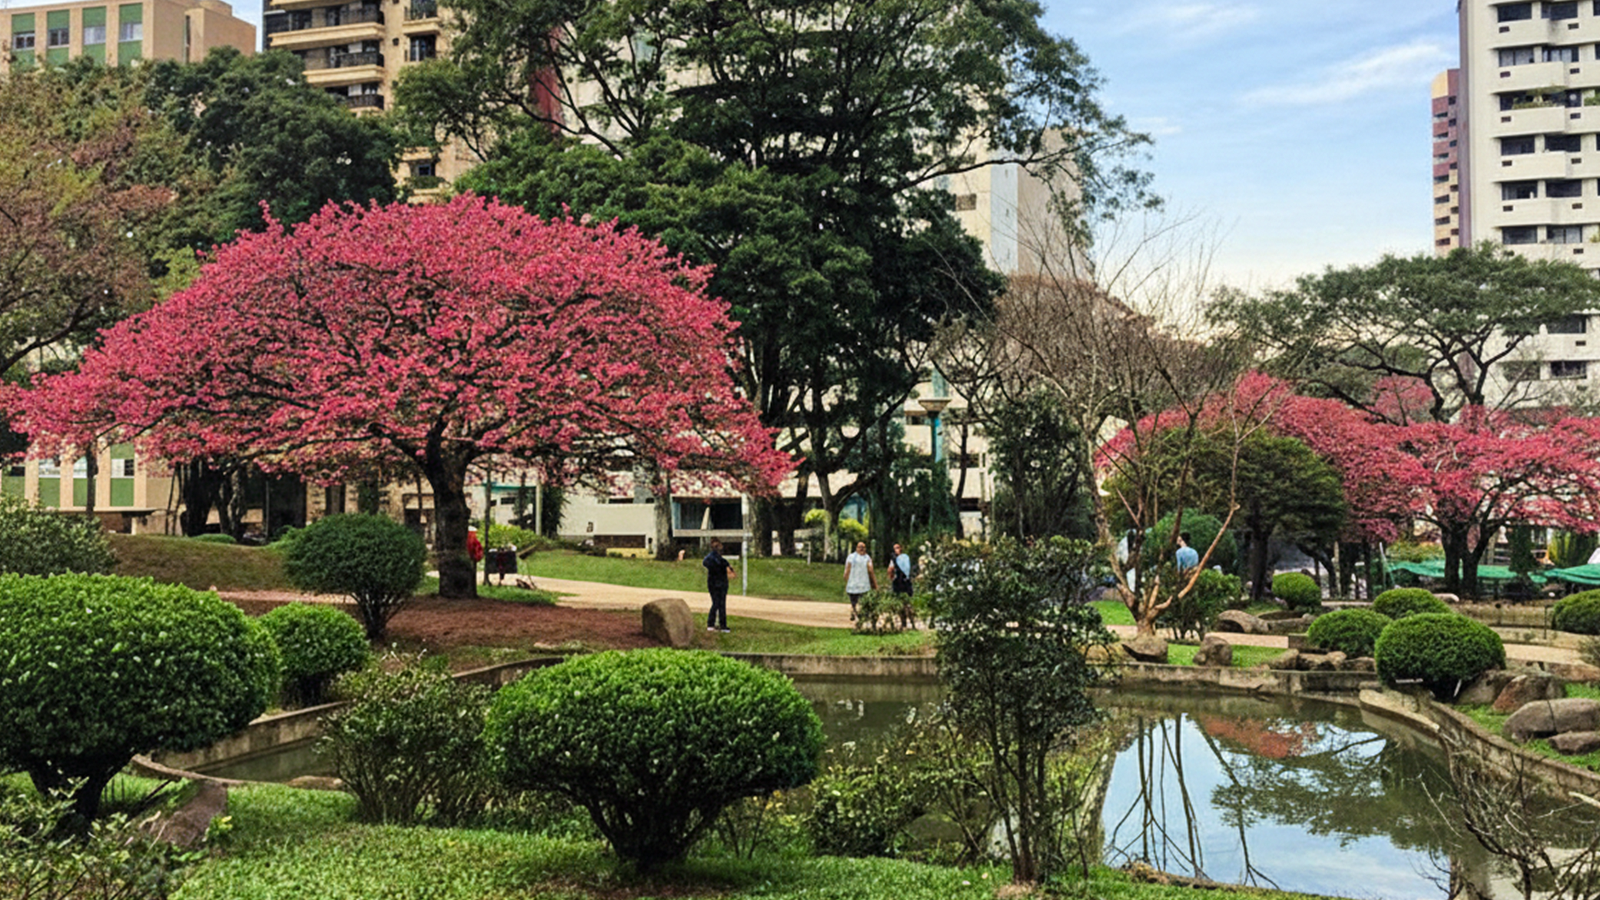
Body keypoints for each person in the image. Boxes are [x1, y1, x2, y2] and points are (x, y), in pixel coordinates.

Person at [703, 538, 732, 633]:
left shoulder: (720, 560)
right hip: (715, 583)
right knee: (717, 603)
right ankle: (713, 624)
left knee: (720, 603)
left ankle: (720, 624)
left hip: (719, 583)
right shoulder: (713, 559)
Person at [844, 540, 875, 621]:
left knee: (862, 600)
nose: (861, 549)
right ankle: (854, 612)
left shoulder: (867, 558)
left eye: (863, 547)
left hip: (863, 584)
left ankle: (859, 613)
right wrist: (846, 577)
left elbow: (870, 570)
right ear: (856, 548)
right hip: (853, 583)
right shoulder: (851, 557)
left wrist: (873, 583)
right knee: (853, 600)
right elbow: (848, 568)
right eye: (860, 547)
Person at [889, 542, 915, 629]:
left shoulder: (904, 558)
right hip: (898, 582)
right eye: (894, 548)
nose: (896, 550)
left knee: (908, 603)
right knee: (900, 603)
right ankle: (903, 622)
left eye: (897, 548)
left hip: (906, 582)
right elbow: (890, 570)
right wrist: (892, 577)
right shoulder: (894, 559)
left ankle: (912, 622)